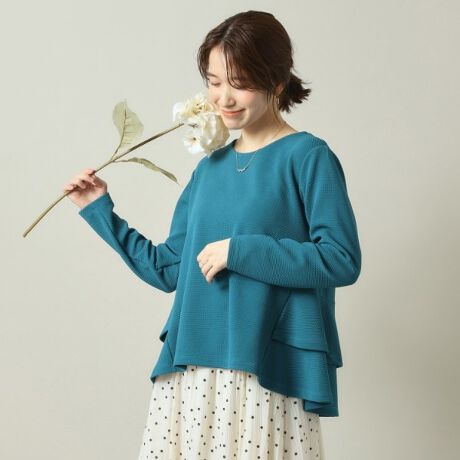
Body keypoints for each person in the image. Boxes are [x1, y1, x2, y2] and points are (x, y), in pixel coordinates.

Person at [64, 10, 361, 460]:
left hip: (262, 371)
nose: (223, 98)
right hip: (192, 374)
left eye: (239, 83)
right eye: (214, 81)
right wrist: (99, 210)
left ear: (277, 81)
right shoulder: (209, 169)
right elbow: (169, 269)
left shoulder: (308, 156)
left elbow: (340, 259)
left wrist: (240, 251)